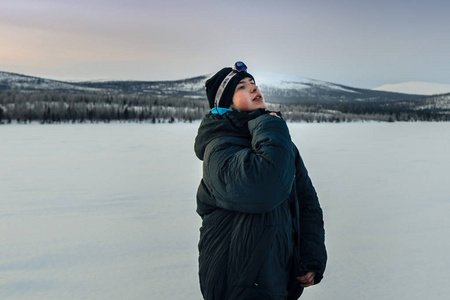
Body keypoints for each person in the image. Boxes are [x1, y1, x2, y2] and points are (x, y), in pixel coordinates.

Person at [194, 61, 327, 300]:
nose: (254, 88)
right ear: (226, 104)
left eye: (254, 83)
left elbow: (306, 202)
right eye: (242, 87)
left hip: (277, 275)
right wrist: (269, 122)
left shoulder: (274, 143)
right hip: (238, 282)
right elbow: (264, 188)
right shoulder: (219, 147)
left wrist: (310, 256)